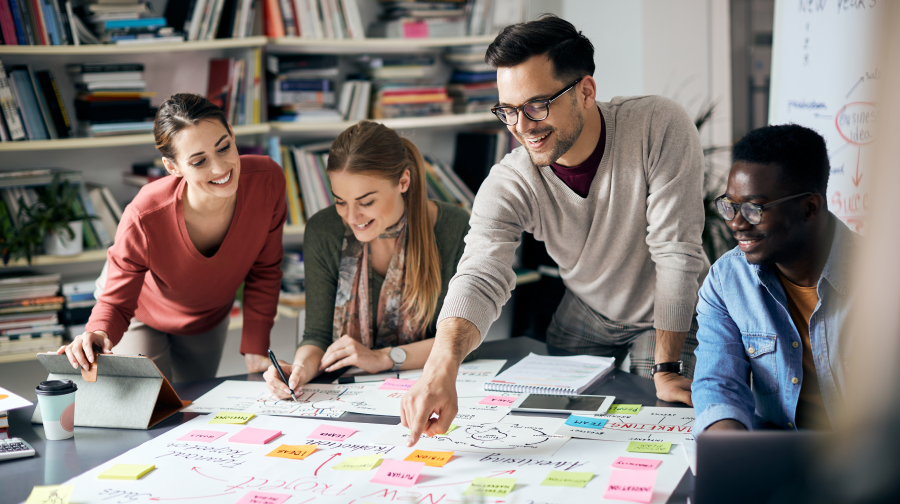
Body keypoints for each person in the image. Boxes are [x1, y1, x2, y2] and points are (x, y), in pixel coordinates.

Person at [401, 15, 709, 443]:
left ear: (586, 91)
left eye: (536, 105)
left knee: (658, 424)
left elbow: (676, 252)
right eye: (508, 111)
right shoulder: (511, 181)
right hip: (586, 305)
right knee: (558, 426)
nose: (522, 127)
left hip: (667, 309)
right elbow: (480, 275)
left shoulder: (657, 126)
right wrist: (440, 368)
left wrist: (667, 367)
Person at [58, 93, 286, 382]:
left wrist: (256, 348)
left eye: (224, 147)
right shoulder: (145, 214)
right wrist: (98, 333)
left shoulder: (268, 181)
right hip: (141, 311)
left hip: (207, 315)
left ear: (231, 132)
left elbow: (265, 271)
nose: (220, 168)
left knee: (195, 400)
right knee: (152, 401)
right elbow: (116, 303)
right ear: (173, 167)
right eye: (199, 161)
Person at [263, 121, 470, 399]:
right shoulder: (323, 230)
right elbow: (317, 337)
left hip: (430, 388)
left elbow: (462, 339)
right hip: (351, 394)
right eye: (340, 201)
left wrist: (383, 358)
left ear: (403, 181)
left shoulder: (454, 227)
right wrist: (298, 369)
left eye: (366, 202)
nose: (352, 217)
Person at [691, 124, 858, 433]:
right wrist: (731, 451)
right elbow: (718, 384)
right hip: (773, 448)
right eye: (730, 206)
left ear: (810, 208)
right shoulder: (726, 281)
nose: (736, 223)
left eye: (754, 209)